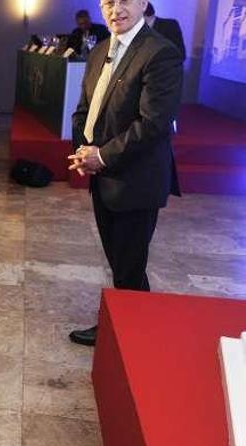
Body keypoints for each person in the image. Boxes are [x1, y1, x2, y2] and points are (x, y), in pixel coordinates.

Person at [67, 0, 183, 346]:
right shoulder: (101, 48)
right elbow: (86, 109)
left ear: (143, 2)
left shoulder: (160, 52)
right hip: (103, 176)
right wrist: (82, 150)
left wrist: (101, 156)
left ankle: (128, 336)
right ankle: (131, 327)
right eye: (107, 2)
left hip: (136, 179)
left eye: (124, 1)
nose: (115, 9)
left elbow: (153, 123)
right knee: (120, 262)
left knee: (129, 265)